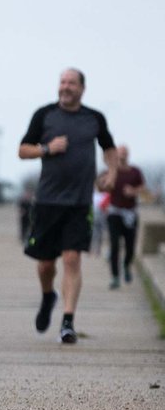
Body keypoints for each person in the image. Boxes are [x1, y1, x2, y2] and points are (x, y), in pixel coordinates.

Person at [19, 68, 116, 344]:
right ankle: (48, 295)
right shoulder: (44, 115)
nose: (66, 87)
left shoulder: (94, 118)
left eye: (71, 83)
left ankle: (68, 322)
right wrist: (47, 149)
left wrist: (112, 173)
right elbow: (23, 149)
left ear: (82, 88)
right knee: (45, 264)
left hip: (79, 202)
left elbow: (109, 148)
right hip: (48, 201)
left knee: (72, 259)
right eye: (62, 82)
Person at [102, 145, 145, 289]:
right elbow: (100, 185)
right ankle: (115, 277)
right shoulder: (111, 171)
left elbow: (143, 188)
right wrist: (104, 182)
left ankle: (126, 266)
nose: (123, 155)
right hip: (114, 213)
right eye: (120, 153)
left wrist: (133, 191)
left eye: (125, 153)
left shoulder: (135, 171)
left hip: (130, 213)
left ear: (128, 155)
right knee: (114, 246)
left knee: (130, 247)